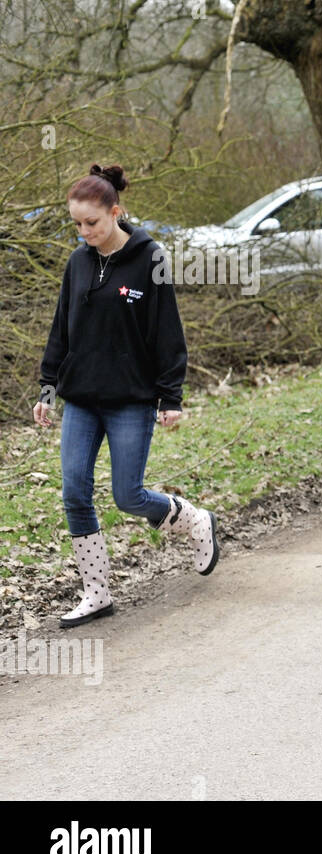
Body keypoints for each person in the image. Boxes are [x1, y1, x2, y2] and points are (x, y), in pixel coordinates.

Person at [35, 164, 219, 628]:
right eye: (76, 224)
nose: (84, 231)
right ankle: (96, 592)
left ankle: (194, 519)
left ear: (115, 212)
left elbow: (168, 334)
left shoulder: (149, 258)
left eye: (91, 222)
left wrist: (170, 397)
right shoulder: (77, 263)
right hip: (80, 397)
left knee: (127, 495)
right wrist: (48, 386)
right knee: (74, 491)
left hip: (131, 399)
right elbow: (61, 331)